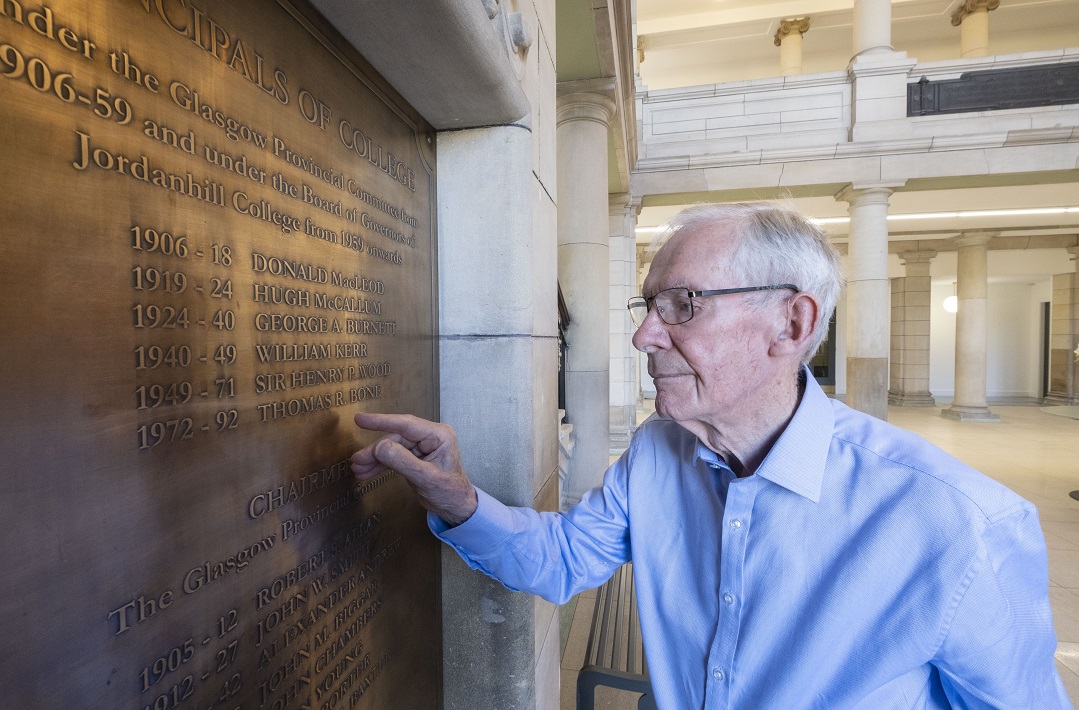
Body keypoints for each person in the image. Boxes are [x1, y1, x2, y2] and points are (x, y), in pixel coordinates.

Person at [350, 203, 1072, 709]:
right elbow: (565, 559)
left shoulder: (959, 522)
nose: (643, 339)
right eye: (649, 306)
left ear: (790, 323)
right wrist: (460, 501)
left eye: (683, 305)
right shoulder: (655, 455)